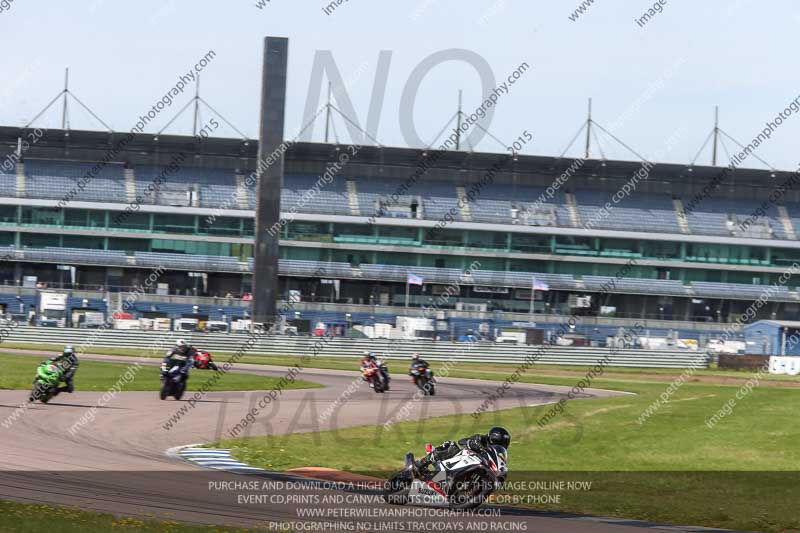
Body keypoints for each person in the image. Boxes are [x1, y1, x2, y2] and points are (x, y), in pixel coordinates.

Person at [414, 427, 511, 476]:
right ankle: (422, 463)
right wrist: (472, 442)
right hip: (461, 459)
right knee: (450, 445)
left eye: (504, 444)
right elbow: (461, 441)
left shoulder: (496, 456)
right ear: (493, 439)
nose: (502, 446)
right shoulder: (481, 438)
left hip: (476, 469)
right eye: (501, 443)